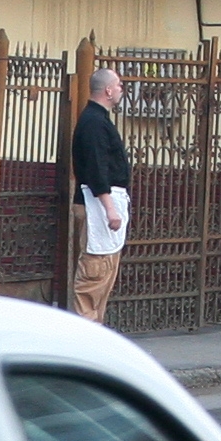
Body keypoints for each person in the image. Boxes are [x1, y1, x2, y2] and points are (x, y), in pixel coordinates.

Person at [69, 62, 132, 323]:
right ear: (107, 90)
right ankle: (84, 333)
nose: (121, 90)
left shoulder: (98, 120)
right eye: (119, 85)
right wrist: (110, 209)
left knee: (104, 274)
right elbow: (97, 169)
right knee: (94, 274)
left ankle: (94, 330)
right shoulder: (94, 123)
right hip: (98, 206)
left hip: (104, 204)